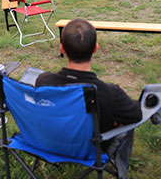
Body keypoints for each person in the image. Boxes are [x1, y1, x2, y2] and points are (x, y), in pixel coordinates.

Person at [36, 18, 142, 179]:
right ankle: (121, 172)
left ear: (62, 49)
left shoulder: (43, 81)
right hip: (89, 149)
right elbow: (136, 115)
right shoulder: (109, 94)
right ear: (96, 49)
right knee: (126, 123)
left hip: (48, 142)